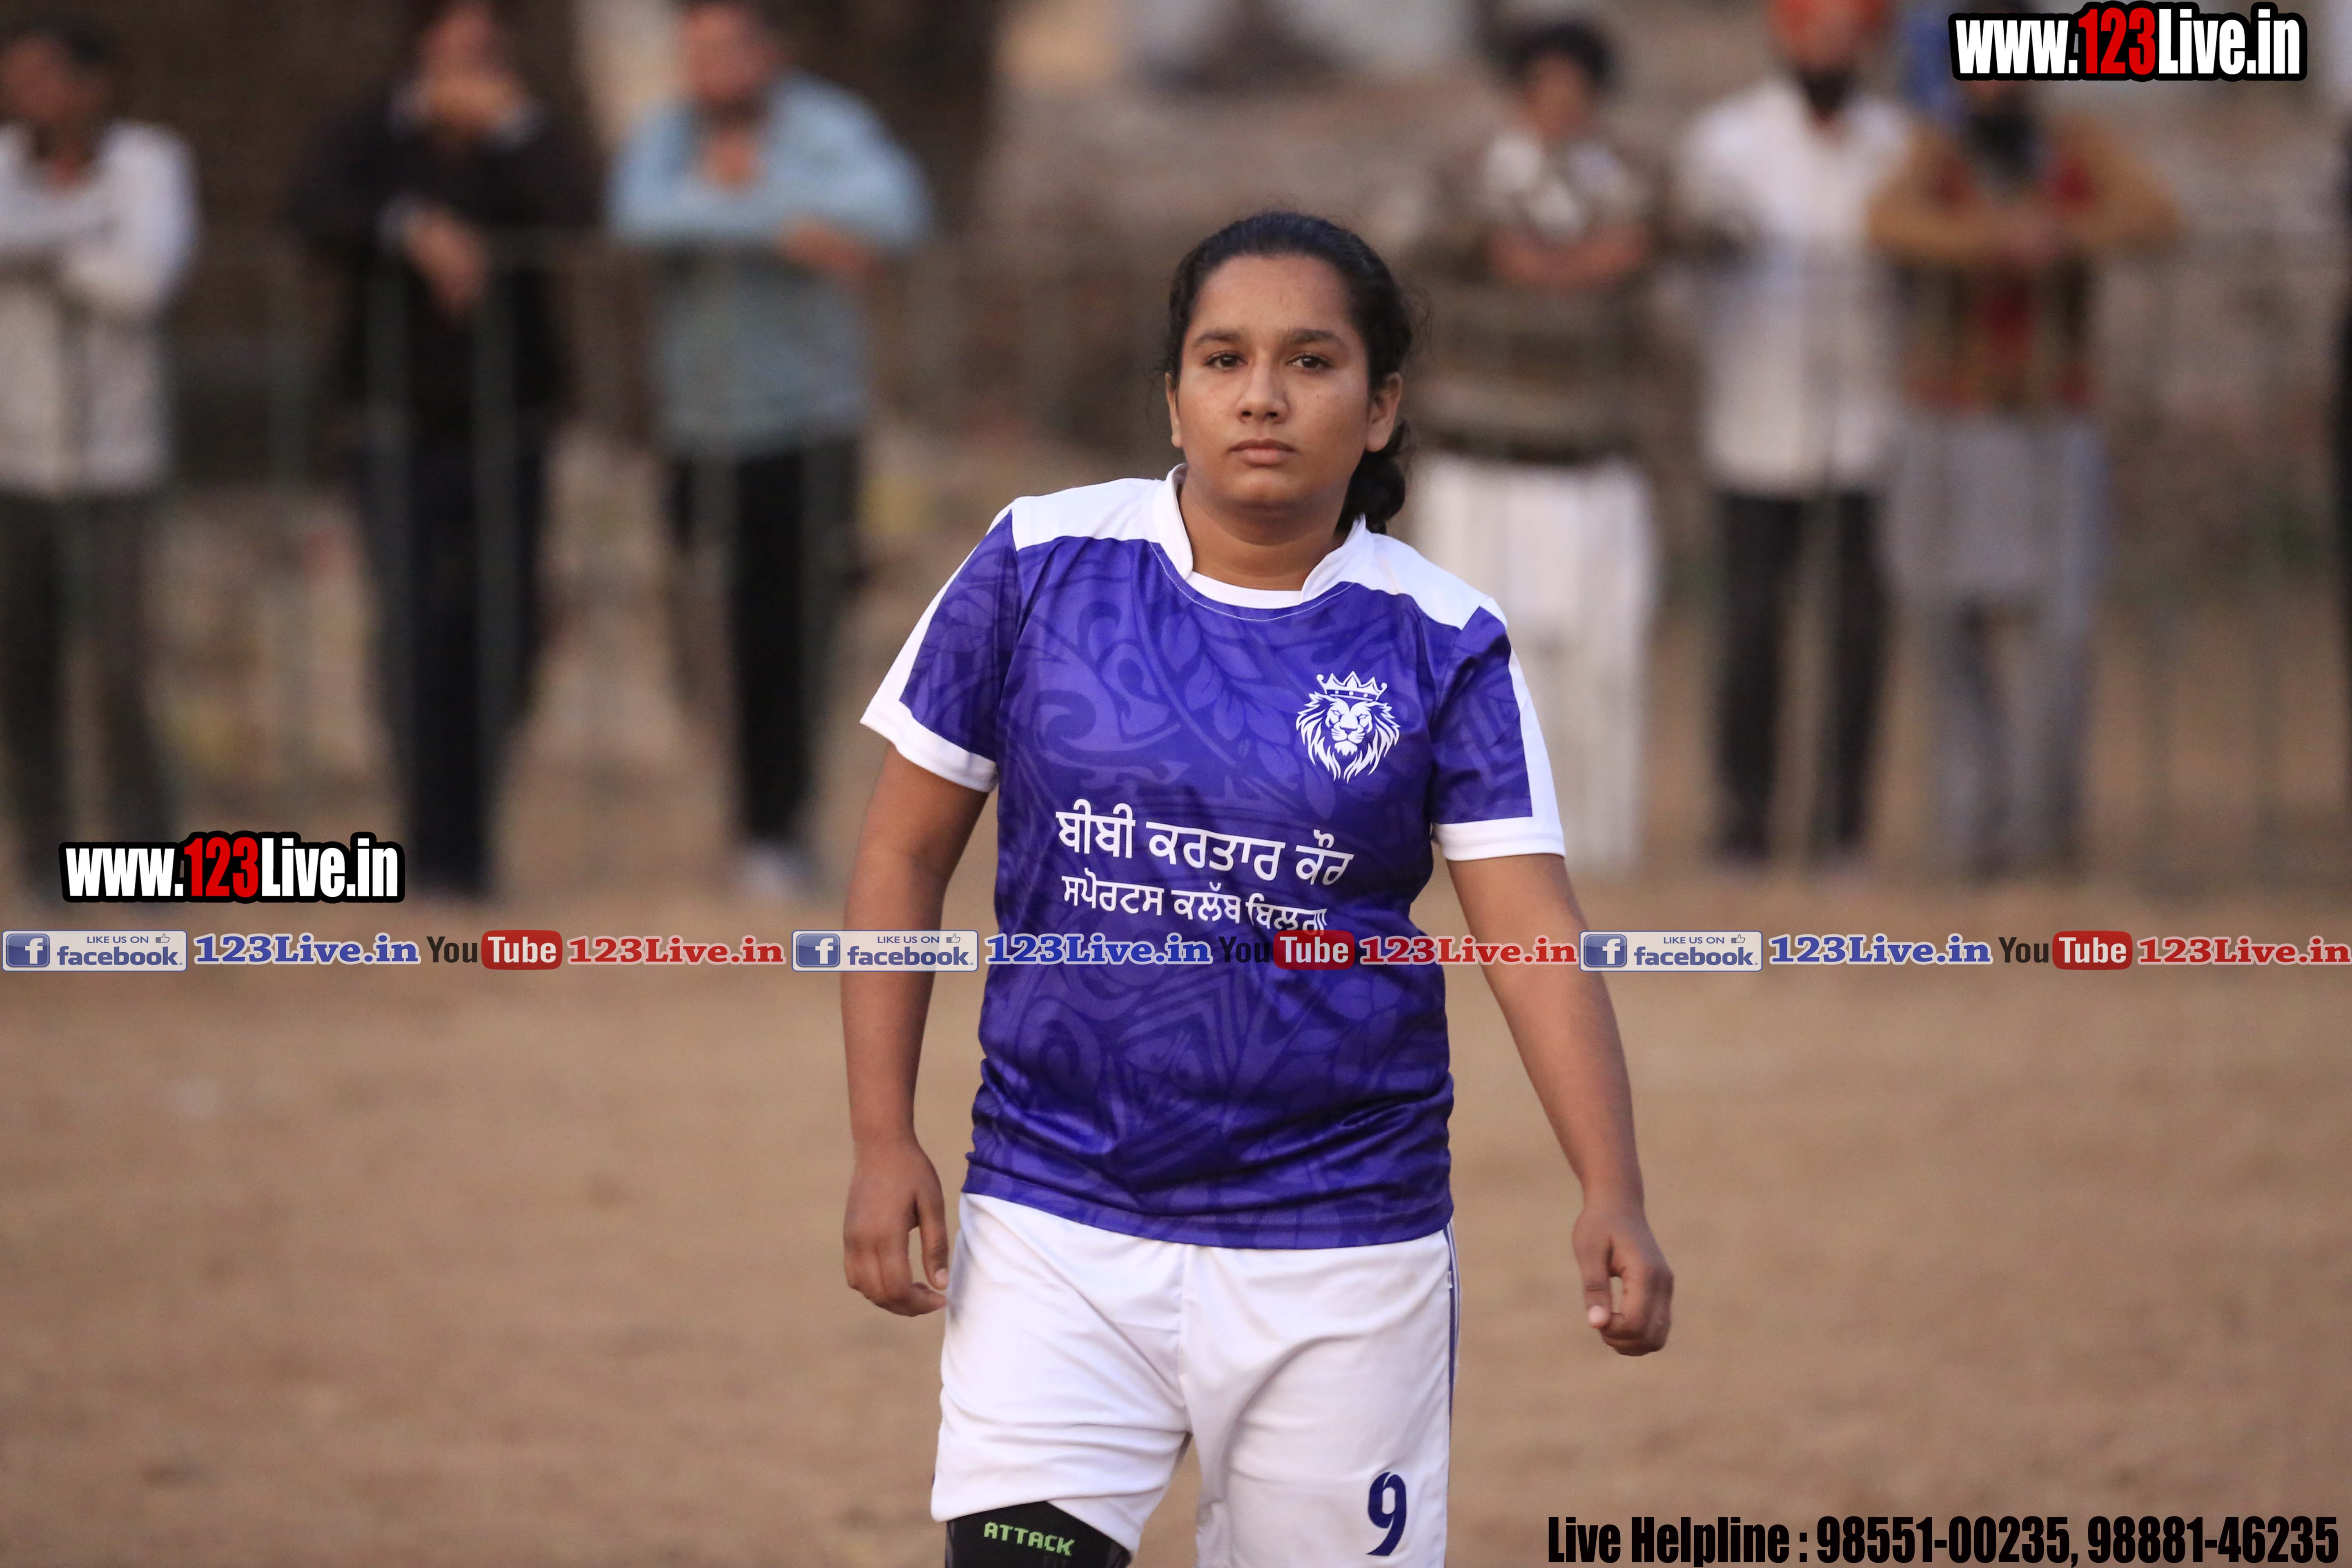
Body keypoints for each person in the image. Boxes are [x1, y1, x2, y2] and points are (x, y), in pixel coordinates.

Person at [842, 212, 1672, 1567]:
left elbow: (1529, 930)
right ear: (1173, 394)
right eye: (1223, 359)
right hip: (1055, 1216)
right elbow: (900, 857)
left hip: (1341, 1245)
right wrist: (884, 1141)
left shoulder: (1444, 641)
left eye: (1311, 361)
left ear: (1383, 406)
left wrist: (1611, 1188)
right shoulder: (1037, 563)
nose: (1263, 396)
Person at [612, 0, 929, 901]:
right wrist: (785, 227)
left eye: (726, 48)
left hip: (812, 427)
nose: (708, 68)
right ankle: (740, 809)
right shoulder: (666, 136)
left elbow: (896, 212)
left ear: (768, 51)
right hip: (697, 432)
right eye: (694, 51)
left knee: (796, 633)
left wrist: (736, 201)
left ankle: (776, 827)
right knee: (708, 634)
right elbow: (638, 218)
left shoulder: (828, 128)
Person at [287, 0, 598, 898]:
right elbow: (308, 210)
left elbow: (579, 211)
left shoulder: (528, 137)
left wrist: (515, 129)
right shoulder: (369, 133)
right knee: (414, 629)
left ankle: (473, 832)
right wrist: (409, 228)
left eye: (485, 47)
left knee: (506, 632)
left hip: (512, 422)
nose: (469, 64)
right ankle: (429, 842)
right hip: (395, 424)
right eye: (453, 46)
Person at [1869, 45, 2176, 876]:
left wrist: (2062, 236)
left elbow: (2155, 213)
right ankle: (1969, 829)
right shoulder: (1935, 151)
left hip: (2052, 418)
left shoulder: (2076, 146)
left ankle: (2046, 832)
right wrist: (1988, 241)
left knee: (2060, 632)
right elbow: (1886, 221)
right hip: (1950, 416)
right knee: (1943, 624)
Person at [1407, 17, 1658, 876]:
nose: (1560, 107)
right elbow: (1396, 231)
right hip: (1481, 458)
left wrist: (1627, 250)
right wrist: (1491, 247)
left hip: (1594, 459)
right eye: (1545, 90)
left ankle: (1599, 846)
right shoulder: (1467, 178)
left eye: (1575, 92)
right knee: (1480, 662)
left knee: (1602, 661)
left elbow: (1715, 227)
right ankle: (1482, 839)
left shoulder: (1628, 183)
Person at [1673, 0, 1910, 865]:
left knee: (1856, 635)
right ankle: (1745, 821)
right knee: (1750, 632)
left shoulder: (1899, 145)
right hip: (1754, 423)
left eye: (1849, 34)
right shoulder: (1724, 143)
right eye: (1817, 30)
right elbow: (1688, 279)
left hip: (1866, 430)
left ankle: (1842, 827)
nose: (1831, 50)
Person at [0, 15, 195, 898]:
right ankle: (47, 861)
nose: (28, 97)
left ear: (92, 85)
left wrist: (44, 253)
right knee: (24, 669)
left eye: (45, 77)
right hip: (17, 461)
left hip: (119, 458)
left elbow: (143, 281)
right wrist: (86, 241)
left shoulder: (148, 163)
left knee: (122, 671)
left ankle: (142, 860)